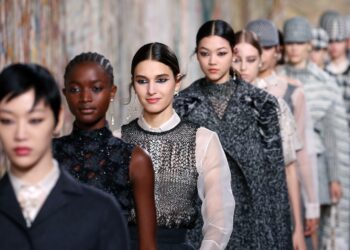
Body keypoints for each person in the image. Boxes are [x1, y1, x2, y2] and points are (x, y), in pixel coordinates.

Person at [174, 19, 292, 250]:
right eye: (204, 53)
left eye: (220, 53)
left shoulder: (262, 104)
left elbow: (276, 180)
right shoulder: (183, 105)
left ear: (233, 52)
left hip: (255, 222)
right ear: (196, 55)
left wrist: (281, 240)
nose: (212, 61)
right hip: (204, 223)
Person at [117, 42, 234, 250]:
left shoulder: (203, 140)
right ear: (133, 85)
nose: (151, 90)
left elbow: (219, 220)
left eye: (161, 80)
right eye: (142, 81)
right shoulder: (118, 140)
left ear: (177, 82)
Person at [0, 63, 130, 250]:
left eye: (35, 120)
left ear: (58, 119)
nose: (21, 134)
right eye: (7, 120)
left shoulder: (101, 212)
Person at [52, 52, 156, 250]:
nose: (85, 98)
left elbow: (148, 246)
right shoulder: (49, 154)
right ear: (65, 93)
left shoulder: (135, 160)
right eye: (75, 89)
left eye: (96, 88)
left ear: (112, 92)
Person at [246, 18, 321, 248]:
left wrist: (311, 205)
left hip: (282, 195)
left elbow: (304, 153)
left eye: (267, 47)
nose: (262, 54)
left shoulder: (292, 90)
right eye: (255, 47)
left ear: (277, 51)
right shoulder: (235, 91)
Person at [277, 16, 350, 249]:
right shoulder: (275, 78)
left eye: (300, 43)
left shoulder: (325, 82)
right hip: (282, 163)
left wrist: (335, 176)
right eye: (290, 43)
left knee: (318, 225)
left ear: (309, 44)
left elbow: (333, 134)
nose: (295, 48)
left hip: (317, 164)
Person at [232, 29, 307, 250]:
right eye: (237, 60)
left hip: (271, 215)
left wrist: (298, 228)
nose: (243, 67)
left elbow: (290, 169)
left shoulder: (275, 108)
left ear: (260, 62)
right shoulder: (213, 107)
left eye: (251, 59)